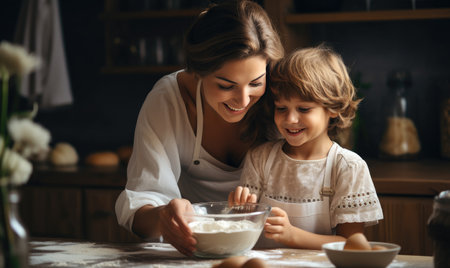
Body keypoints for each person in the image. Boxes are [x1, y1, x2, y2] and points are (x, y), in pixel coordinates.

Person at [115, 0, 284, 256]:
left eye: (255, 83)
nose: (243, 100)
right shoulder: (169, 99)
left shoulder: (283, 96)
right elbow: (142, 198)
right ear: (198, 71)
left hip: (279, 252)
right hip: (198, 253)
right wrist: (163, 217)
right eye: (226, 85)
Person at [228, 45, 384, 249]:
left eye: (304, 109)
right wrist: (240, 210)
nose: (290, 119)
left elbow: (351, 244)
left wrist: (292, 235)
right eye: (281, 108)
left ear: (333, 109)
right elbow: (247, 227)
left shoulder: (348, 167)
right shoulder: (261, 158)